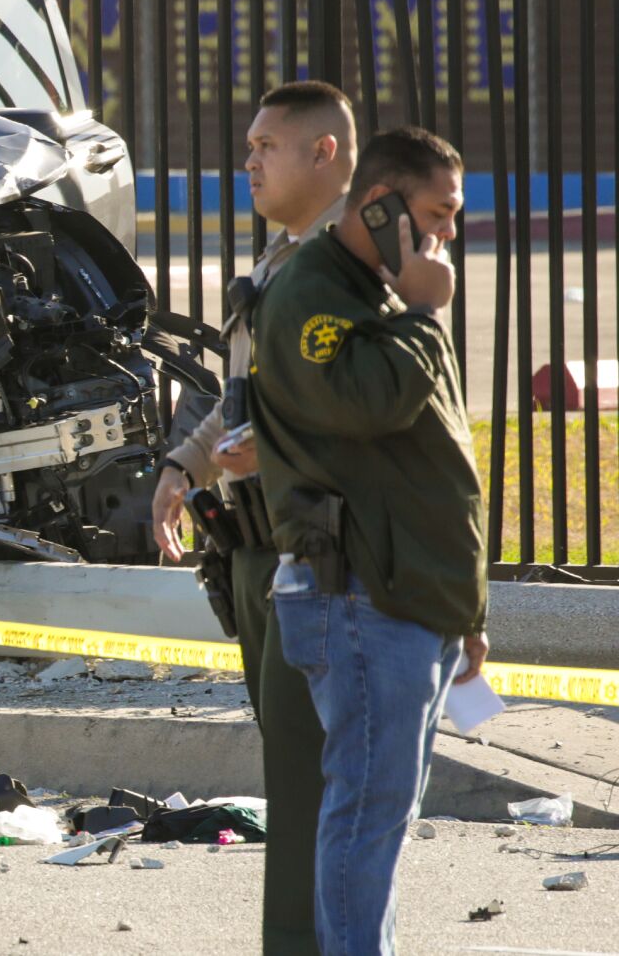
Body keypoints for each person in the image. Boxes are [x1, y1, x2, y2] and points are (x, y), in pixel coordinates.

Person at [248, 125, 489, 955]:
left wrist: (462, 608)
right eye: (438, 212)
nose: (449, 234)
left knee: (382, 818)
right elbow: (366, 403)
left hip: (403, 596)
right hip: (356, 597)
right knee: (364, 815)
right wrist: (425, 313)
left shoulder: (381, 291)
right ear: (382, 206)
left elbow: (432, 460)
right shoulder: (315, 291)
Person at [150, 80, 354, 955]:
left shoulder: (351, 267)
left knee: (311, 783)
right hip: (252, 552)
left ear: (325, 153)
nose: (250, 162)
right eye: (249, 147)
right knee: (288, 769)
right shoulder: (276, 263)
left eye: (268, 146)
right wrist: (182, 465)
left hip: (313, 552)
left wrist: (266, 451)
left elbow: (360, 407)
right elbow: (239, 398)